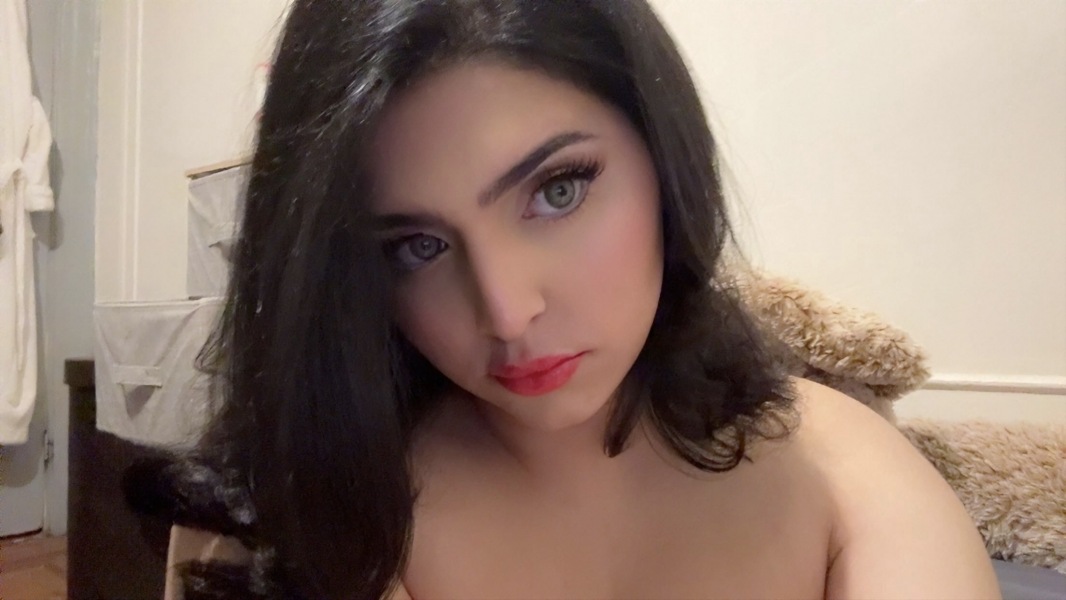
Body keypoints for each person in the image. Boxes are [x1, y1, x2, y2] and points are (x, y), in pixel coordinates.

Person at [131, 1, 1002, 598]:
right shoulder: (291, 514)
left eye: (558, 190)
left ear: (663, 156)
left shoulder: (847, 479)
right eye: (416, 246)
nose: (507, 312)